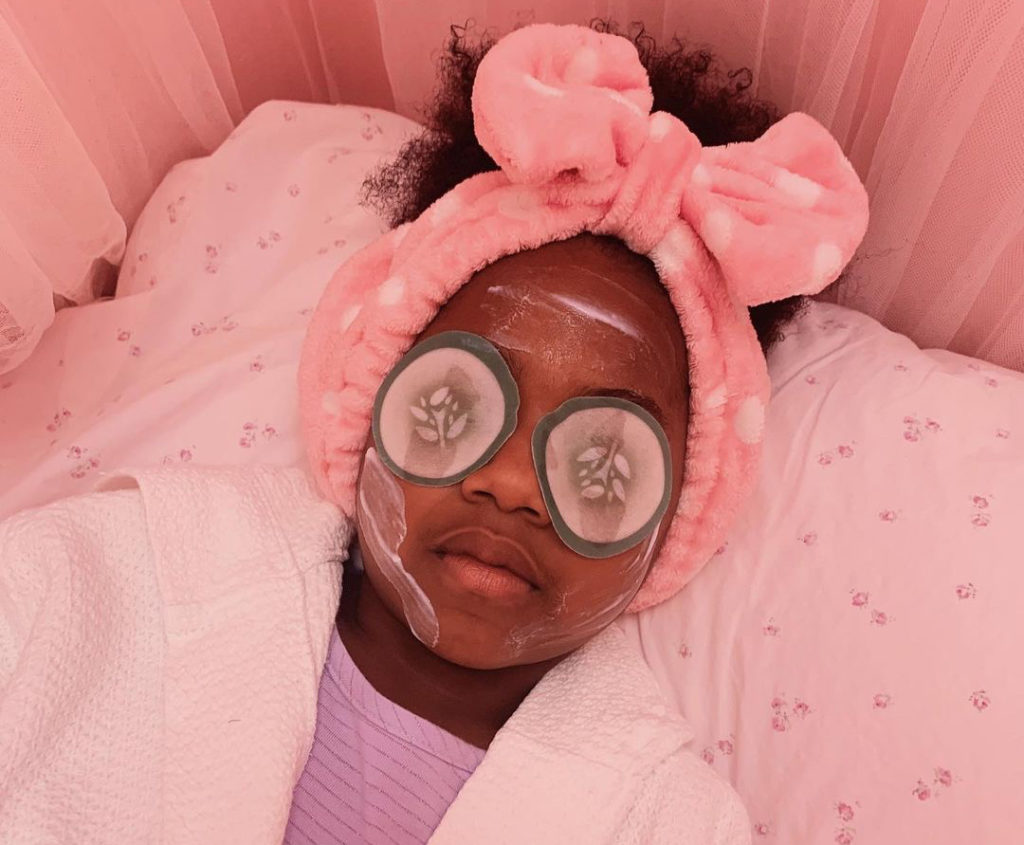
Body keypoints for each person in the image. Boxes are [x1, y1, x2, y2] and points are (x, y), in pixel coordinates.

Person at [0, 20, 868, 845]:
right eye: (454, 407)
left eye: (604, 462)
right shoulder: (98, 581)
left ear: (680, 521)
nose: (516, 486)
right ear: (368, 394)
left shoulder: (671, 822)